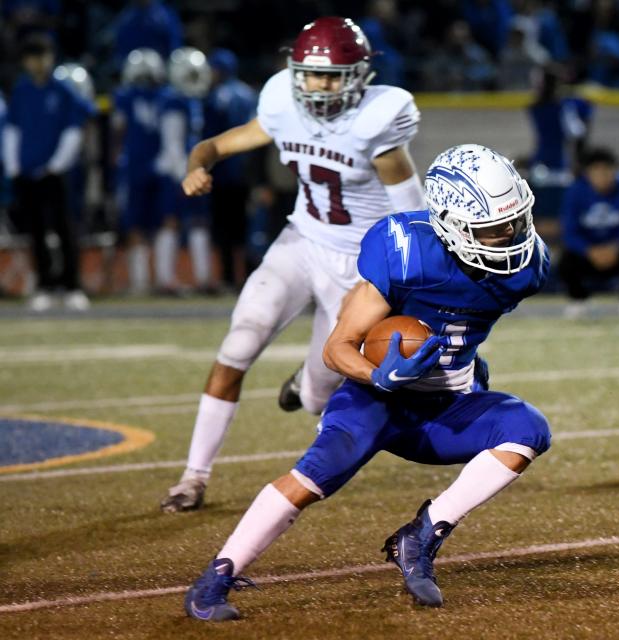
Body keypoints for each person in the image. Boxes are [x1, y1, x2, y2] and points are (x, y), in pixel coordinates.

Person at [182, 144, 551, 620]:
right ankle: (215, 579)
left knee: (528, 429)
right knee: (311, 479)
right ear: (450, 224)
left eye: (516, 222)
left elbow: (465, 326)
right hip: (375, 399)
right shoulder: (405, 250)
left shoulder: (530, 266)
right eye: (494, 229)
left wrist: (465, 368)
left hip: (446, 407)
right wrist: (380, 373)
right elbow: (337, 347)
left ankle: (421, 536)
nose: (510, 237)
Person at [161, 17, 426, 513]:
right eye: (312, 74)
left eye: (333, 75)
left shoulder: (378, 126)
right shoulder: (282, 103)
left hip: (357, 265)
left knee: (317, 398)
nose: (321, 85)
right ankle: (192, 477)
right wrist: (198, 165)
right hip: (301, 240)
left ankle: (304, 383)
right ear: (294, 71)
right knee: (240, 339)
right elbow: (217, 144)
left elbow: (414, 218)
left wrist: (398, 282)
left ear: (359, 75)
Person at [2, 33, 94, 312]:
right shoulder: (23, 90)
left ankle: (72, 286)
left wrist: (57, 164)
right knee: (37, 231)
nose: (39, 63)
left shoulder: (63, 89)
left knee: (65, 228)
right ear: (26, 61)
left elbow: (75, 127)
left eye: (43, 56)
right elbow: (12, 129)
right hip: (28, 172)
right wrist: (13, 165)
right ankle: (44, 285)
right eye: (33, 57)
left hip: (55, 172)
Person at [557, 147, 619, 319]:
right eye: (596, 170)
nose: (602, 176)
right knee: (565, 261)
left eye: (607, 170)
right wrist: (589, 250)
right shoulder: (575, 191)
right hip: (587, 254)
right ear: (587, 173)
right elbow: (569, 232)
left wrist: (616, 248)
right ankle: (578, 300)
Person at [154, 46, 212, 294]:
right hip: (177, 173)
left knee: (198, 222)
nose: (195, 81)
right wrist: (184, 176)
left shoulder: (192, 102)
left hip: (191, 171)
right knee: (172, 222)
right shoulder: (174, 101)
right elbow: (172, 143)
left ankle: (203, 279)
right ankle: (165, 279)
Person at [112, 47, 168, 295]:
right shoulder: (167, 96)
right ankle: (160, 278)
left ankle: (142, 281)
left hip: (137, 166)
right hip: (159, 165)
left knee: (139, 224)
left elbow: (118, 132)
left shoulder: (125, 97)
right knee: (160, 222)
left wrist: (117, 157)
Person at [203, 48, 257, 291]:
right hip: (247, 171)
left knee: (224, 229)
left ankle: (227, 277)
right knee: (246, 228)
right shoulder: (249, 94)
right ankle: (249, 277)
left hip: (224, 171)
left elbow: (210, 137)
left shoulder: (216, 96)